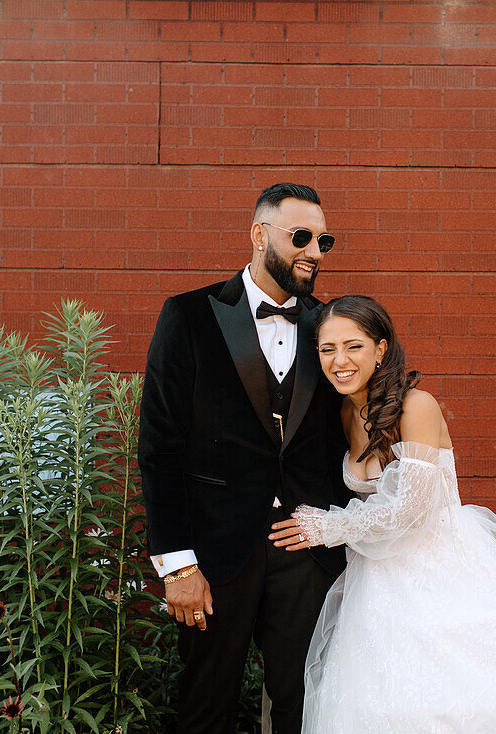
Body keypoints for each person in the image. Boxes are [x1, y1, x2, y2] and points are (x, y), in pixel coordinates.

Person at [269, 295, 496, 734]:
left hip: (442, 577)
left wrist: (329, 526)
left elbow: (412, 509)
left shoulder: (417, 405)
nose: (339, 360)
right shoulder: (343, 411)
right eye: (327, 349)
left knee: (458, 706)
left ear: (380, 349)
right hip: (376, 586)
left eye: (353, 346)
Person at [138, 183, 353, 734]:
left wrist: (338, 531)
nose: (314, 252)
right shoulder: (187, 316)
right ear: (259, 236)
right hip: (212, 553)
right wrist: (177, 563)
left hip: (305, 553)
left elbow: (348, 441)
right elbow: (159, 447)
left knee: (302, 708)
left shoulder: (333, 329)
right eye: (301, 236)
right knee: (205, 706)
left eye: (324, 240)